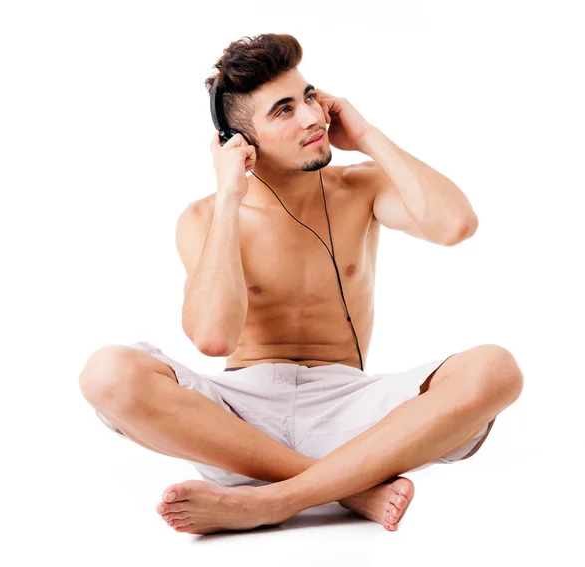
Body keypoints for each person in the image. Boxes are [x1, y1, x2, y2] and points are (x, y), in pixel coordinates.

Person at [78, 33, 524, 535]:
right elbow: (213, 339)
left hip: (353, 416)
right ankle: (349, 489)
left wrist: (369, 135)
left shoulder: (362, 186)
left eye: (310, 96)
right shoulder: (205, 215)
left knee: (495, 370)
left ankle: (274, 500)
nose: (313, 117)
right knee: (107, 373)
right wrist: (229, 196)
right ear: (240, 142)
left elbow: (456, 226)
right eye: (284, 110)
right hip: (240, 425)